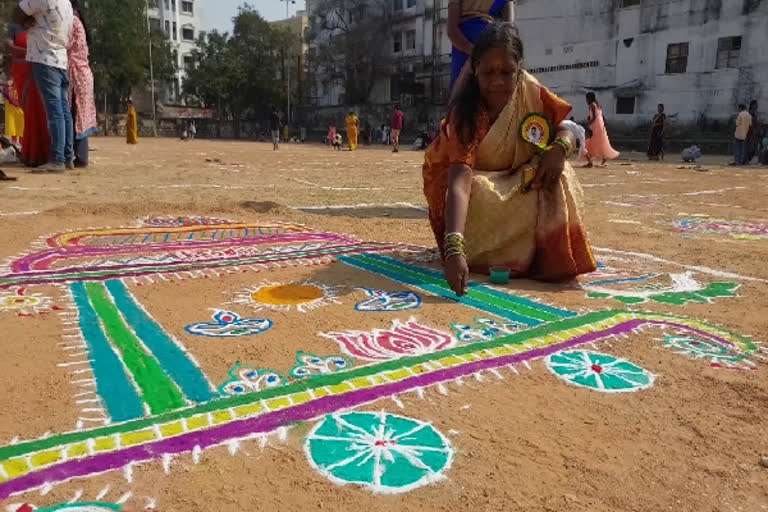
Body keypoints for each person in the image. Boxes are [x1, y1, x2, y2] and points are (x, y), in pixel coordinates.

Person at [423, 23, 596, 296]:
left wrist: (559, 149)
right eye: (488, 72)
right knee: (478, 191)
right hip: (467, 184)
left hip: (513, 178)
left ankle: (542, 257)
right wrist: (454, 247)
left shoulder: (531, 91)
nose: (497, 82)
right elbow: (459, 181)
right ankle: (486, 254)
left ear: (520, 69)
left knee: (559, 175)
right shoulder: (465, 114)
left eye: (507, 72)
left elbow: (566, 128)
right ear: (475, 69)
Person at [14, 0, 74, 173]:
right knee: (64, 111)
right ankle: (67, 157)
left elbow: (17, 13)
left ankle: (57, 159)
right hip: (61, 59)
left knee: (55, 112)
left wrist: (26, 21)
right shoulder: (67, 3)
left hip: (44, 58)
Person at [447, 0, 514, 96]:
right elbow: (452, 32)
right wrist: (478, 53)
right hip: (468, 46)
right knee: (460, 99)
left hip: (487, 45)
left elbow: (508, 31)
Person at [10, 26, 50, 167]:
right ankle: (30, 154)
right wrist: (30, 52)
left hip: (39, 69)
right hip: (22, 70)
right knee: (28, 113)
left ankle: (45, 154)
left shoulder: (41, 23)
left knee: (42, 112)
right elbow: (9, 45)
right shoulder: (15, 26)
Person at [67, 0, 97, 168]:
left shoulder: (72, 22)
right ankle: (81, 156)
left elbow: (65, 44)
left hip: (76, 76)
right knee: (80, 116)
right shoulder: (81, 24)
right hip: (83, 76)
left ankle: (76, 155)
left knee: (73, 115)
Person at [585, 92, 619, 167]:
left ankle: (590, 160)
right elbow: (600, 116)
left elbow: (593, 117)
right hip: (600, 124)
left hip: (595, 124)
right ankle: (603, 157)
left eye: (587, 98)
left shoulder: (592, 105)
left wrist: (588, 124)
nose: (586, 100)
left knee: (589, 142)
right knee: (599, 141)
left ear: (589, 98)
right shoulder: (598, 105)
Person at [3, 81, 24, 148]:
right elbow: (6, 93)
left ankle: (21, 143)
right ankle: (14, 142)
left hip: (21, 108)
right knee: (13, 127)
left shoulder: (23, 84)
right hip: (12, 109)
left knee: (21, 127)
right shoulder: (7, 85)